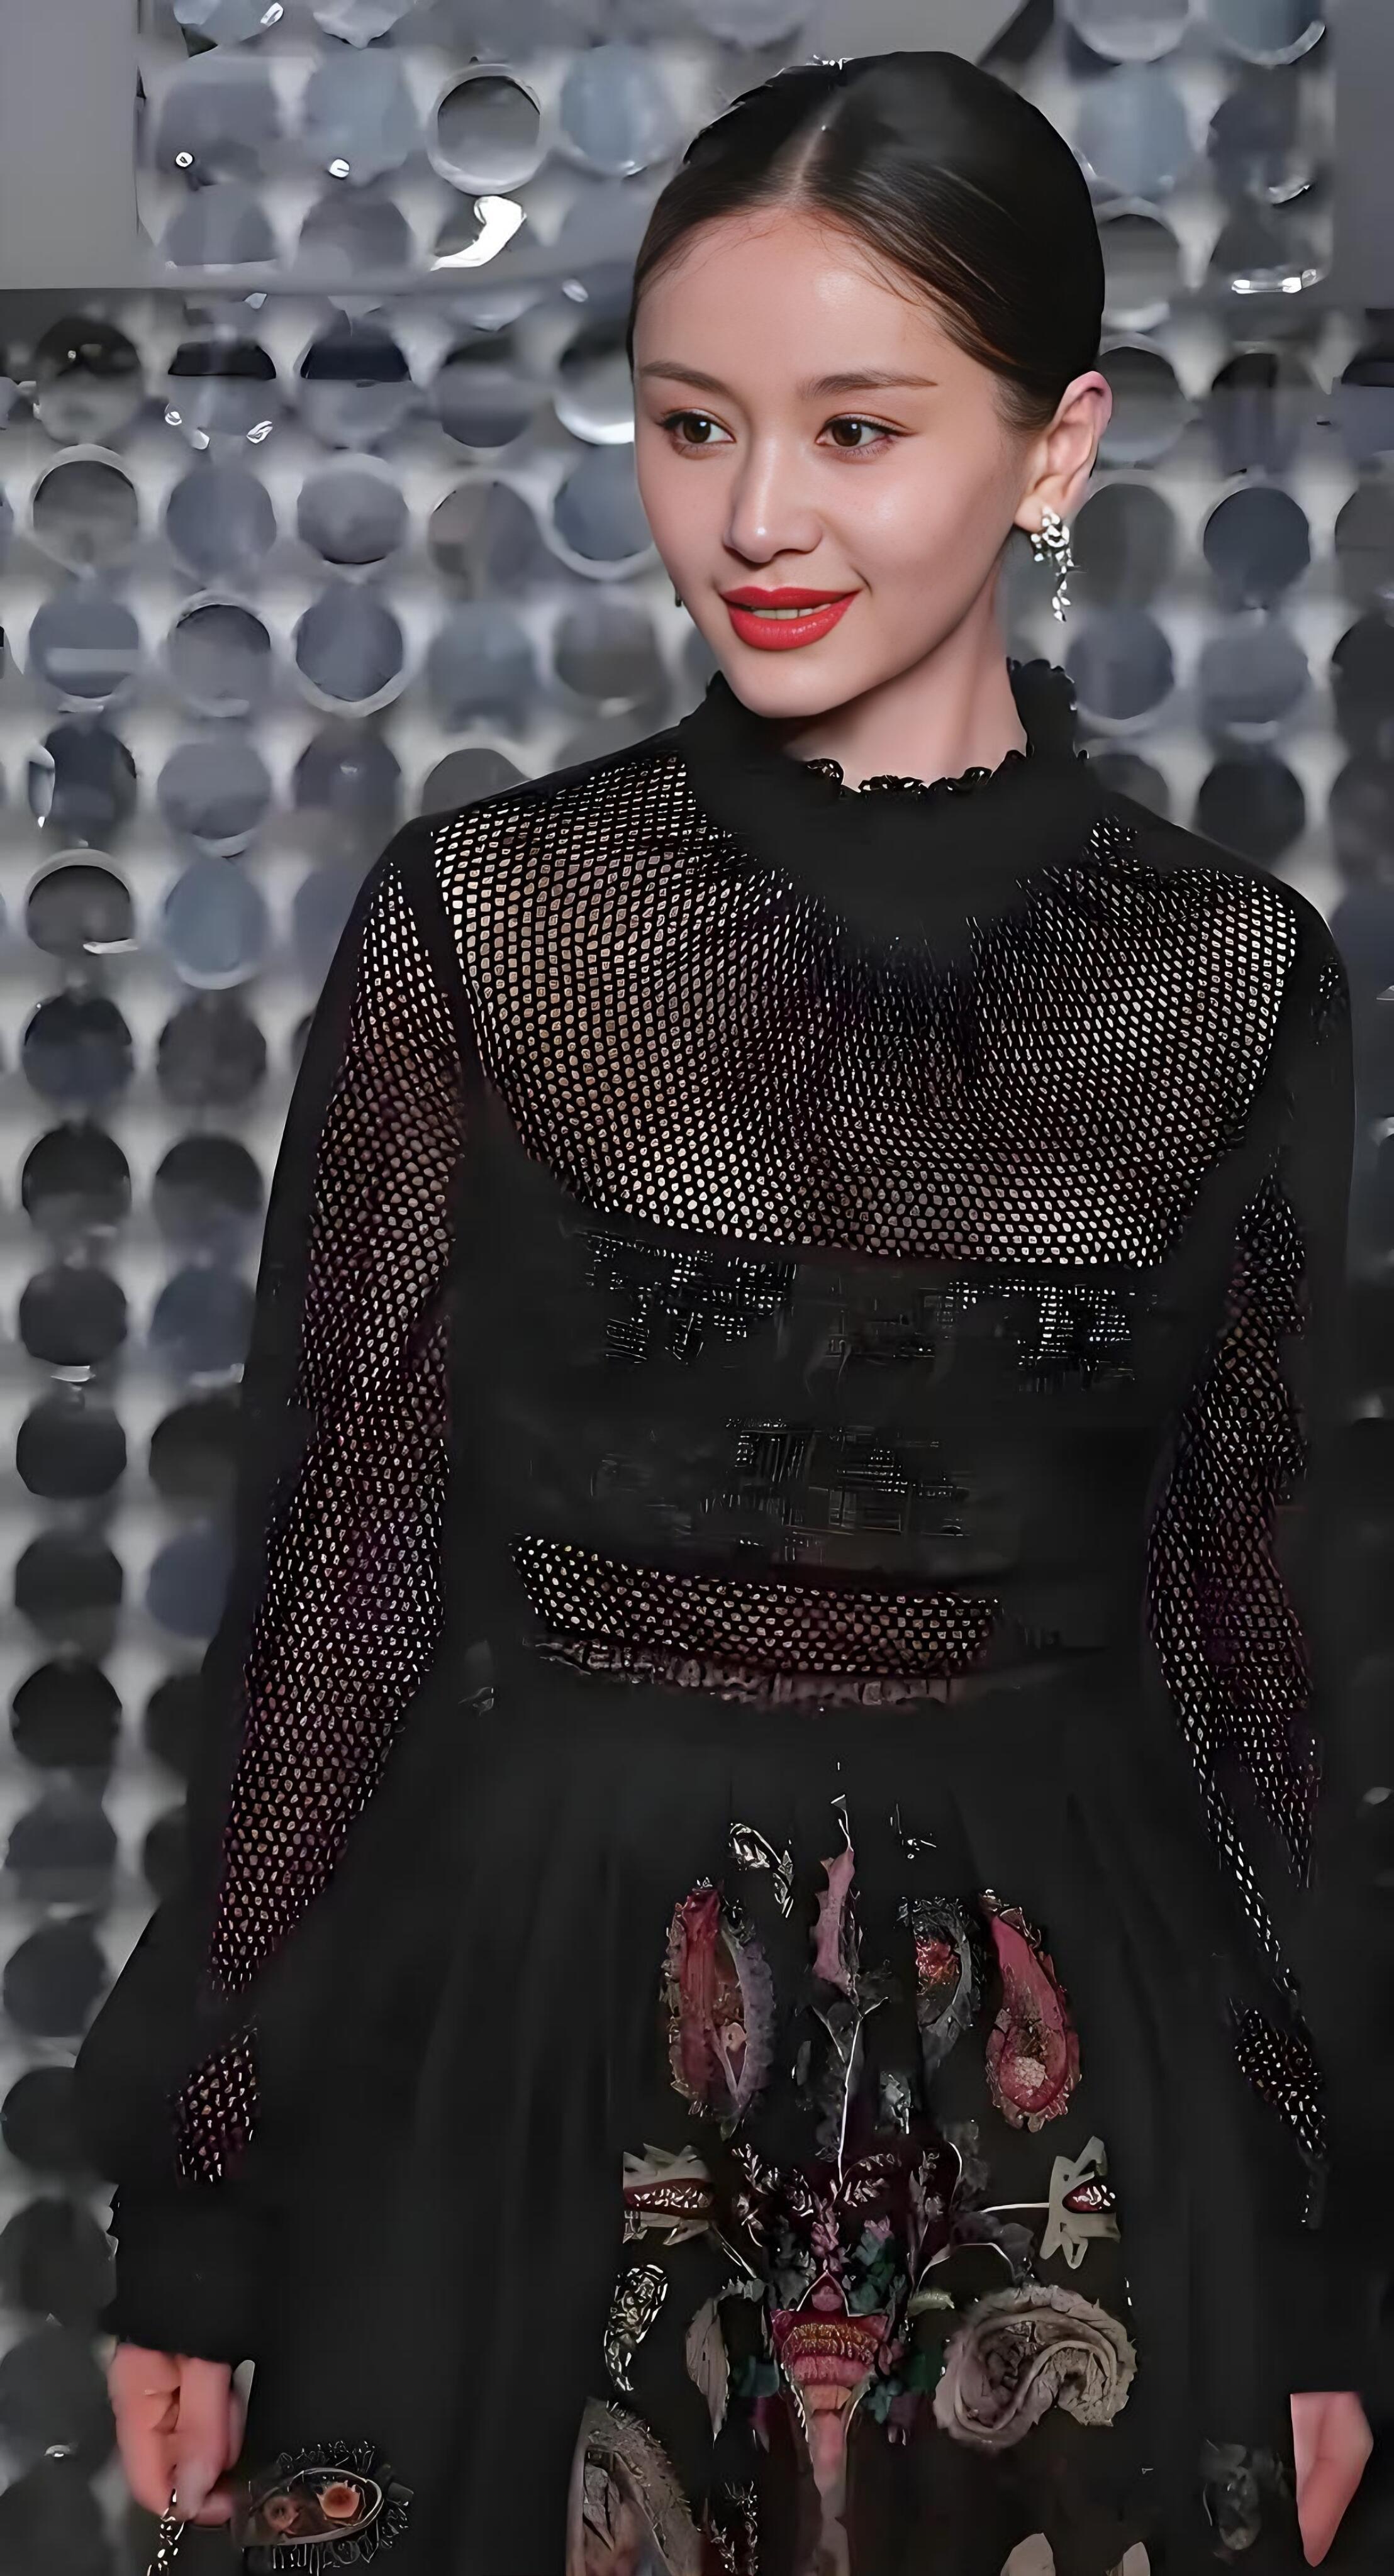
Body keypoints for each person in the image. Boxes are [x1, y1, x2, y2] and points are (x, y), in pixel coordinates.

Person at [74, 49, 1380, 2576]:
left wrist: (1326, 2264)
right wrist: (203, 2195)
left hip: (1066, 2092)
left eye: (854, 428)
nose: (753, 517)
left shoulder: (1230, 981)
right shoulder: (491, 927)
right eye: (692, 424)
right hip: (526, 2051)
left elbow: (1260, 1662)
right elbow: (337, 1594)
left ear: (1054, 445)